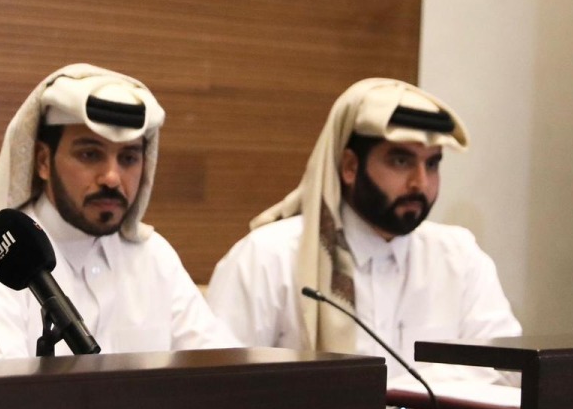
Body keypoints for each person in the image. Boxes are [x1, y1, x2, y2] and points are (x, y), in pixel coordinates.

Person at [0, 64, 238, 361]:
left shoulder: (155, 258)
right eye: (90, 155)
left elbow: (224, 373)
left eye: (129, 158)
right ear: (43, 161)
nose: (112, 177)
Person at [205, 77, 521, 383]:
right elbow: (219, 381)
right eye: (400, 161)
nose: (420, 183)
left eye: (433, 164)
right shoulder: (268, 256)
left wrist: (406, 395)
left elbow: (507, 369)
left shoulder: (459, 257)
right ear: (350, 167)